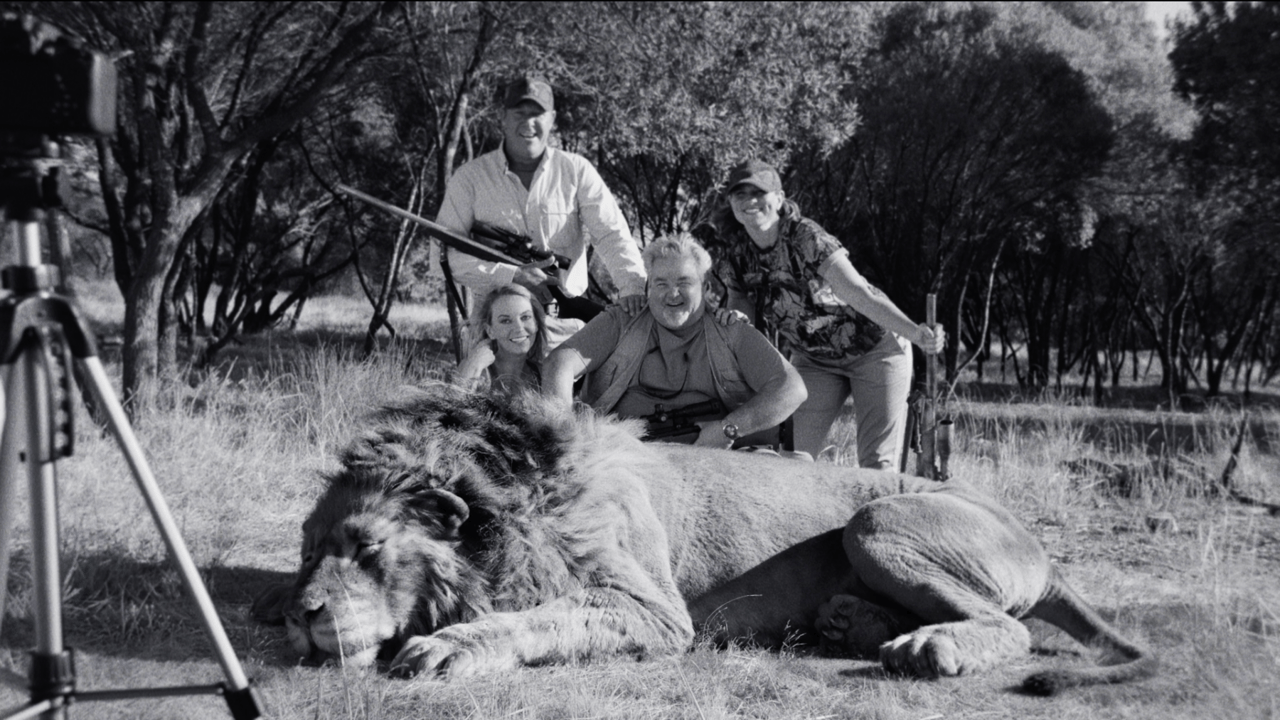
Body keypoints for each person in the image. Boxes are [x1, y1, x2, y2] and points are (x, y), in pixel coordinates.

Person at [704, 159, 945, 468]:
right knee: (793, 458)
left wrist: (916, 333)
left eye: (759, 193)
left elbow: (858, 292)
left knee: (876, 465)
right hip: (813, 360)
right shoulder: (735, 252)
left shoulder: (806, 237)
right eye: (740, 194)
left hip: (874, 351)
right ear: (731, 204)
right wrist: (737, 320)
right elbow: (740, 299)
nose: (750, 201)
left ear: (778, 199)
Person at [543, 232, 808, 450]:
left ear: (706, 289)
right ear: (647, 290)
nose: (672, 294)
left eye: (684, 282)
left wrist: (728, 429)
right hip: (626, 460)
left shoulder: (731, 330)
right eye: (660, 284)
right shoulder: (622, 321)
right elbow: (559, 364)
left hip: (722, 463)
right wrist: (565, 438)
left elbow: (791, 389)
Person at [434, 76, 647, 321]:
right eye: (519, 113)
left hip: (566, 325)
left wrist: (633, 288)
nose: (529, 122)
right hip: (495, 326)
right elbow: (442, 258)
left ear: (552, 119)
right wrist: (510, 275)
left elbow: (612, 234)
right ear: (503, 118)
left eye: (538, 114)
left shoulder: (577, 170)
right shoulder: (469, 178)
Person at [453, 284, 547, 395]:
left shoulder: (544, 375)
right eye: (505, 321)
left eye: (525, 317)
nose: (519, 328)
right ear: (490, 331)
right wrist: (474, 365)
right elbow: (453, 407)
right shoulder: (477, 369)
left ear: (536, 323)